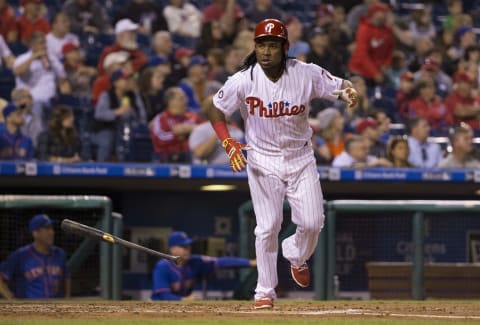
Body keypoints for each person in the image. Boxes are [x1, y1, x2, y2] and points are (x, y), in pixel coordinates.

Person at [205, 18, 359, 309]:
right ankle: (265, 290)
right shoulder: (244, 79)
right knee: (268, 225)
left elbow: (341, 86)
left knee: (313, 223)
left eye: (272, 45)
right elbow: (214, 108)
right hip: (262, 159)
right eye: (261, 44)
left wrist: (348, 92)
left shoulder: (305, 73)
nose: (265, 51)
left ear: (284, 47)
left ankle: (296, 254)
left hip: (301, 157)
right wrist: (227, 141)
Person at [151, 231, 255, 301]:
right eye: (183, 246)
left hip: (181, 307)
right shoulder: (162, 266)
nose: (188, 249)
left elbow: (222, 262)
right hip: (157, 307)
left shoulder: (195, 261)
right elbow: (163, 294)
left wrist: (251, 262)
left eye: (188, 246)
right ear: (172, 249)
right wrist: (185, 300)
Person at [0, 214, 70, 299]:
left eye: (51, 228)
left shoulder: (59, 253)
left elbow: (67, 277)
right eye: (47, 229)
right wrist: (11, 299)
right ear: (35, 233)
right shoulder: (21, 255)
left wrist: (67, 298)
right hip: (30, 309)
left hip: (55, 307)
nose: (52, 232)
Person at [149, 87, 203, 163]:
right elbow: (160, 138)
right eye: (181, 98)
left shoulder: (193, 117)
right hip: (166, 160)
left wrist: (190, 129)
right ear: (171, 102)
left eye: (185, 97)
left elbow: (207, 129)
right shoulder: (160, 119)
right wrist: (177, 135)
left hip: (192, 158)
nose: (186, 101)